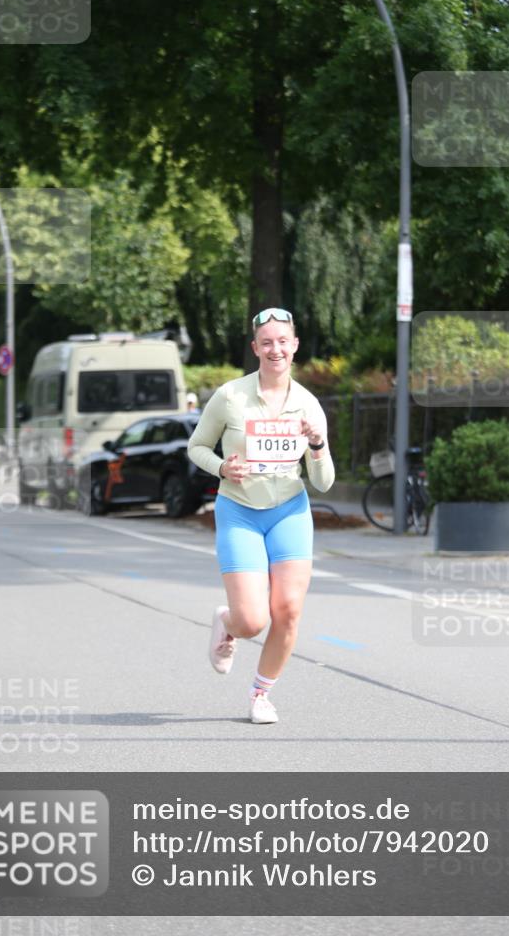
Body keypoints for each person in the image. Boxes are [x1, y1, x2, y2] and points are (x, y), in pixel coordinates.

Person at [187, 308, 335, 724]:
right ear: (255, 348)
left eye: (282, 341)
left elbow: (323, 482)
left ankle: (260, 694)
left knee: (287, 610)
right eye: (266, 342)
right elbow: (196, 447)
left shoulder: (308, 404)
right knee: (253, 620)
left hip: (289, 510)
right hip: (240, 511)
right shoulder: (230, 396)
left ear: (295, 346)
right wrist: (222, 468)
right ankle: (228, 622)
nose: (275, 349)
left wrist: (318, 443)